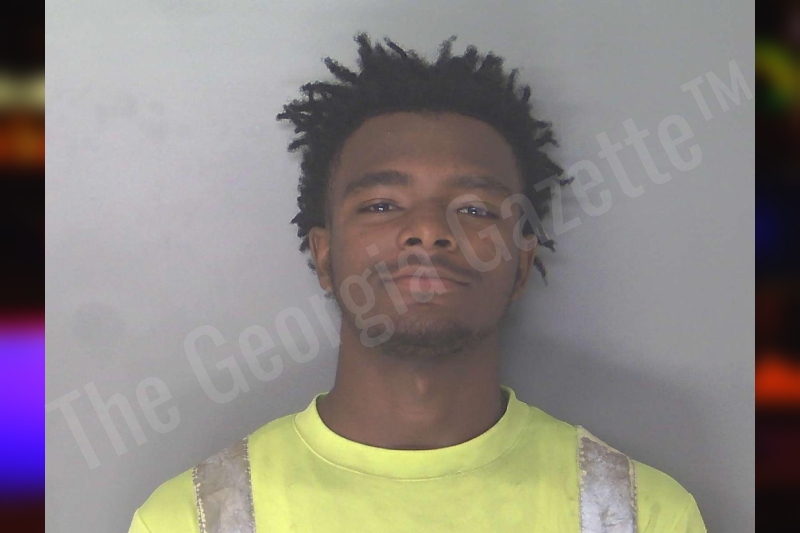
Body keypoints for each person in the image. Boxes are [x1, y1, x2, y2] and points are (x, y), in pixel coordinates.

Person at [127, 32, 707, 532]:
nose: (428, 230)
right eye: (381, 205)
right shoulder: (192, 518)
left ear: (521, 264)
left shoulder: (642, 515)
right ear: (324, 256)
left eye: (475, 209)